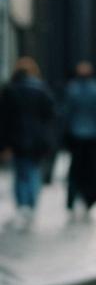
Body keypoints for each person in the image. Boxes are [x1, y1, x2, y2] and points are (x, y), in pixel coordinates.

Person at [0, 56, 56, 230]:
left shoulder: (11, 90)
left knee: (21, 172)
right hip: (37, 140)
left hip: (17, 138)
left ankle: (23, 204)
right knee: (33, 171)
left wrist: (4, 144)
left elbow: (4, 119)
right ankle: (30, 204)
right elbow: (51, 115)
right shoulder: (41, 90)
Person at [62, 60, 96, 219]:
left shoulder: (73, 89)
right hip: (92, 136)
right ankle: (90, 198)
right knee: (91, 169)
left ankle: (72, 198)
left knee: (75, 169)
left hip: (76, 135)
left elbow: (66, 113)